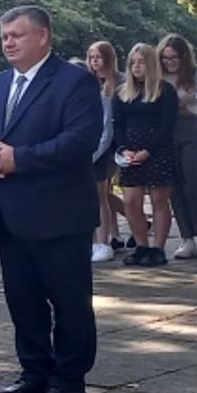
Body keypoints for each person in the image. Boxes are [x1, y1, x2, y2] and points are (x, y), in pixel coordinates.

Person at [0, 5, 103, 393]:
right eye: (4, 36)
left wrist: (18, 159)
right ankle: (34, 371)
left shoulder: (74, 82)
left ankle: (69, 379)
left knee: (69, 301)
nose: (7, 42)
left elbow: (80, 141)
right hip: (10, 213)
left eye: (17, 35)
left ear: (43, 36)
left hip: (59, 213)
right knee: (23, 301)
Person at [114, 43, 179, 267]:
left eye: (141, 62)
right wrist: (124, 149)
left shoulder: (165, 90)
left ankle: (158, 248)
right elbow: (118, 125)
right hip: (130, 151)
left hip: (157, 150)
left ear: (150, 63)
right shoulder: (122, 92)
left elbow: (167, 124)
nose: (136, 66)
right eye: (133, 62)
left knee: (159, 200)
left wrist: (148, 151)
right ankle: (141, 245)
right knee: (131, 202)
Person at [158, 35, 197, 260]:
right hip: (169, 134)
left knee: (194, 185)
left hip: (194, 132)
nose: (170, 62)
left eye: (174, 57)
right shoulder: (160, 77)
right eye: (165, 57)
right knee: (175, 188)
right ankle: (186, 237)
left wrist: (184, 108)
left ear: (184, 56)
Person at [85, 42, 126, 262]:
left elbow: (107, 127)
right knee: (94, 195)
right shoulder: (87, 83)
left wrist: (96, 152)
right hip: (89, 147)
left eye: (98, 57)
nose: (94, 61)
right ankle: (104, 237)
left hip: (107, 146)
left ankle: (104, 240)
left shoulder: (116, 84)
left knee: (101, 194)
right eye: (91, 57)